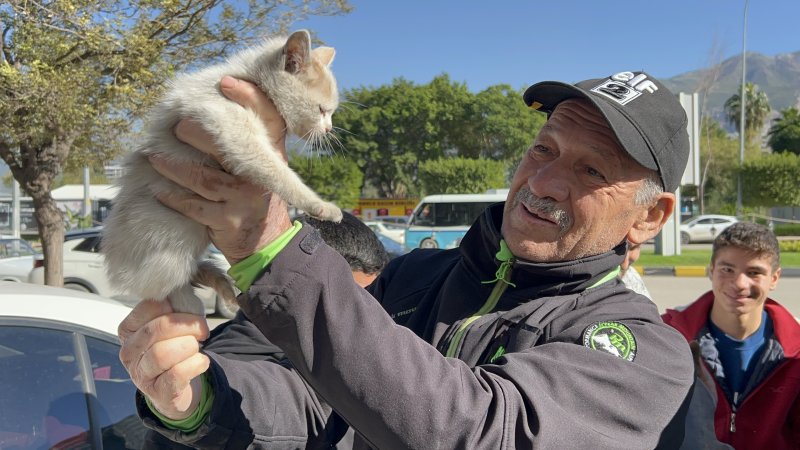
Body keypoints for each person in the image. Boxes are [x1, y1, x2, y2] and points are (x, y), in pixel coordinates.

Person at [118, 71, 696, 448]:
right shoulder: (418, 277)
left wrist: (270, 243)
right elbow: (326, 405)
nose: (543, 182)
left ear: (650, 216)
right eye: (543, 149)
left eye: (591, 171)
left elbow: (478, 430)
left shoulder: (644, 350)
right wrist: (202, 396)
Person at [662, 222, 800, 449]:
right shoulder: (669, 335)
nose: (739, 284)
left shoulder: (795, 350)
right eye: (727, 269)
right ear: (711, 269)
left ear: (774, 278)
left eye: (754, 273)